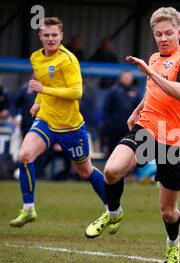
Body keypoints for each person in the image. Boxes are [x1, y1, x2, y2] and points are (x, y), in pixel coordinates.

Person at [85, 7, 180, 263]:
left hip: (176, 139)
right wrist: (137, 110)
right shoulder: (154, 59)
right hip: (148, 128)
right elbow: (153, 92)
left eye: (168, 33)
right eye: (158, 34)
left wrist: (149, 72)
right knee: (112, 171)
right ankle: (113, 213)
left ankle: (173, 246)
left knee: (168, 211)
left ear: (179, 33)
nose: (163, 38)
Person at [9, 17, 107, 228]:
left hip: (70, 126)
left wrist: (42, 91)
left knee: (85, 171)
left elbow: (76, 92)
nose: (51, 38)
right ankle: (28, 209)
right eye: (46, 35)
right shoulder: (35, 57)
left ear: (61, 36)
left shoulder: (68, 60)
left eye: (54, 35)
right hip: (45, 120)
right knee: (24, 156)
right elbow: (45, 84)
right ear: (40, 36)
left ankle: (112, 208)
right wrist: (38, 101)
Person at [101, 70, 141, 156]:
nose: (127, 79)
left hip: (129, 129)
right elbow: (107, 109)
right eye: (125, 77)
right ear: (121, 78)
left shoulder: (136, 92)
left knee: (128, 153)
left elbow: (140, 110)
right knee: (113, 152)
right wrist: (108, 125)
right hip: (115, 129)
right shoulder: (114, 91)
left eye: (129, 77)